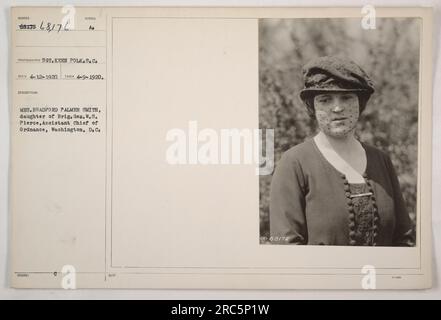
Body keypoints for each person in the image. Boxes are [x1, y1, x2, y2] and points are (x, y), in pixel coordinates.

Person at [269, 56, 415, 246]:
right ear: (313, 107)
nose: (337, 108)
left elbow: (404, 238)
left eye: (346, 97)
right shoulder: (294, 163)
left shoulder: (381, 161)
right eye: (325, 100)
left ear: (360, 103)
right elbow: (285, 249)